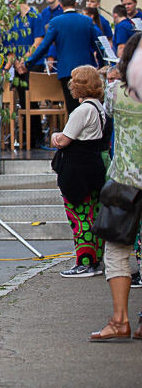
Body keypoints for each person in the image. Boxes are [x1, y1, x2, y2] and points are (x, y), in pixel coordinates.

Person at [90, 34, 142, 341]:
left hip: (124, 180)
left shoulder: (116, 91)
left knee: (117, 249)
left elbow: (107, 116)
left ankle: (119, 319)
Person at [51, 65, 108, 277]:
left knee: (80, 216)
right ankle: (96, 260)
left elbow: (64, 140)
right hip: (93, 167)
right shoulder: (99, 108)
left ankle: (85, 262)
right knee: (94, 215)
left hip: (77, 171)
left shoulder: (82, 111)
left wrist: (55, 136)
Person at [25, 0, 100, 114]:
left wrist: (29, 62)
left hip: (67, 70)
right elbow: (97, 44)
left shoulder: (56, 22)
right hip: (87, 69)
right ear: (76, 3)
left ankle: (74, 132)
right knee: (89, 106)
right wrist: (101, 64)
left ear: (60, 4)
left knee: (72, 107)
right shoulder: (87, 21)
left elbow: (44, 46)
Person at [5, 0, 45, 147]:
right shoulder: (13, 19)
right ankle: (26, 135)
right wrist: (16, 62)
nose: (9, 6)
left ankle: (37, 136)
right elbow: (11, 42)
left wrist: (25, 60)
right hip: (18, 65)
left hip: (33, 64)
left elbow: (38, 41)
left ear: (18, 0)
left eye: (11, 2)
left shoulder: (35, 16)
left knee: (33, 101)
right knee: (22, 101)